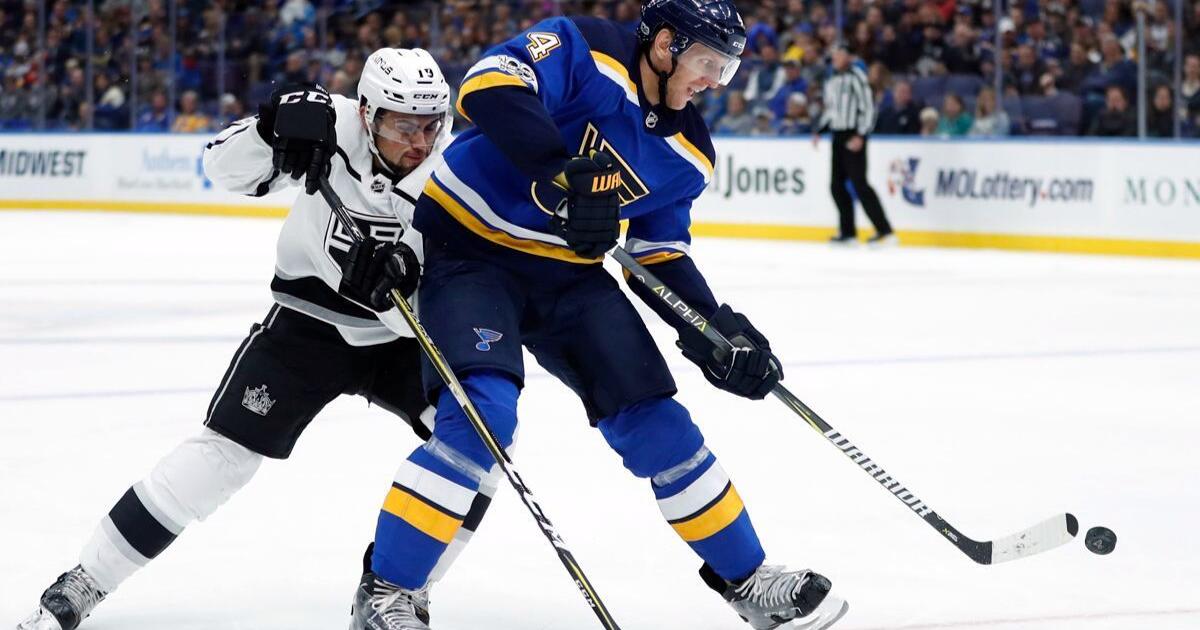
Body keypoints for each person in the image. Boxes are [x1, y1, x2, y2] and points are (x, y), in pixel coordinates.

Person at [349, 1, 850, 629]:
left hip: (567, 276)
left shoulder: (691, 152)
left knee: (658, 421)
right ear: (665, 45)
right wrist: (561, 177)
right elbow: (488, 85)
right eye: (705, 64)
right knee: (482, 415)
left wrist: (712, 328)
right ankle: (389, 593)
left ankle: (748, 580)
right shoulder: (582, 46)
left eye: (725, 71)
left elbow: (658, 251)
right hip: (468, 249)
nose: (712, 83)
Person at [16, 48, 495, 630]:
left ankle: (394, 592)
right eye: (402, 125)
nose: (419, 142)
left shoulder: (453, 172)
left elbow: (455, 293)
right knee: (222, 455)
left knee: (479, 446)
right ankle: (87, 579)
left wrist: (401, 295)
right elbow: (220, 169)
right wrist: (267, 132)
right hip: (307, 325)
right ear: (367, 112)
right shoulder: (331, 125)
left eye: (430, 125)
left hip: (400, 340)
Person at [813, 45, 895, 246]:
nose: (835, 58)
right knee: (836, 185)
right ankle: (848, 232)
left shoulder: (858, 76)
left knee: (860, 184)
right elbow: (831, 110)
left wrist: (861, 135)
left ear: (848, 57)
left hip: (853, 135)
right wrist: (819, 130)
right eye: (834, 55)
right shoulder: (832, 80)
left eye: (839, 54)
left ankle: (885, 231)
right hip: (838, 136)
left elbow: (868, 108)